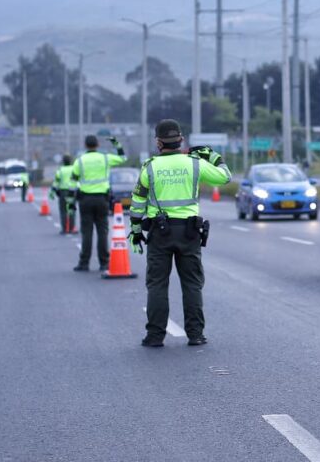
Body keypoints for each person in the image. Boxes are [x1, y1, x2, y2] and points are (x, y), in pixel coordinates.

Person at [129, 119, 231, 347]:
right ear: (181, 140)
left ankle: (155, 336)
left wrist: (135, 229)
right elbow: (225, 176)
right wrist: (213, 156)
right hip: (189, 232)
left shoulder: (150, 167)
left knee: (157, 285)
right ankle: (195, 334)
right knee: (192, 284)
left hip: (160, 232)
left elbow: (137, 202)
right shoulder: (194, 164)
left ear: (158, 142)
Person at [69, 135, 127, 271]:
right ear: (98, 145)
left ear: (85, 145)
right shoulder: (105, 158)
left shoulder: (80, 161)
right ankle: (104, 263)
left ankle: (84, 263)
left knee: (87, 232)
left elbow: (72, 182)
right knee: (102, 231)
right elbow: (123, 158)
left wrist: (71, 202)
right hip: (102, 199)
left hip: (85, 200)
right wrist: (116, 144)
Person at [50, 154, 77, 235]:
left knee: (63, 211)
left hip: (63, 192)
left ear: (63, 162)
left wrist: (53, 191)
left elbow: (56, 182)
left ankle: (64, 229)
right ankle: (72, 229)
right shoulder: (74, 169)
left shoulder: (60, 170)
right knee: (71, 210)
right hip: (72, 192)